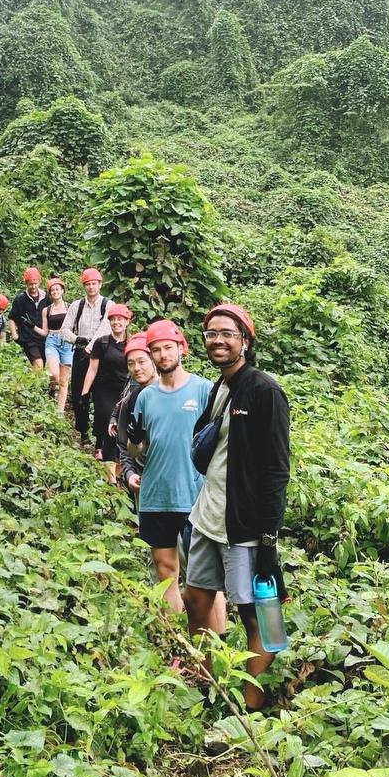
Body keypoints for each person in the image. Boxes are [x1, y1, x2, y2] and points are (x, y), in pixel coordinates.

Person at [183, 304, 290, 711]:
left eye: (227, 333)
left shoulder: (264, 391)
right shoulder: (220, 386)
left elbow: (277, 470)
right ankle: (208, 684)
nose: (218, 341)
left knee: (255, 618)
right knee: (196, 600)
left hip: (242, 528)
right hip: (206, 518)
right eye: (211, 334)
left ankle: (248, 708)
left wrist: (267, 538)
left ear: (245, 341)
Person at [129, 320, 211, 615]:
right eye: (156, 350)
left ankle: (212, 643)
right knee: (165, 573)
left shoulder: (204, 390)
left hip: (195, 496)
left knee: (204, 580)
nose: (162, 355)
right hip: (155, 496)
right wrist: (134, 439)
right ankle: (179, 642)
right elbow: (136, 449)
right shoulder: (145, 397)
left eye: (167, 348)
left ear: (181, 349)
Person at [59, 268, 112, 444]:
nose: (91, 287)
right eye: (88, 284)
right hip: (80, 352)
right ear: (84, 286)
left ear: (100, 284)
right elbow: (64, 330)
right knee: (79, 396)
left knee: (100, 396)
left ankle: (100, 438)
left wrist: (92, 346)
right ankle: (83, 433)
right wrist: (77, 339)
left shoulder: (108, 305)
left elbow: (106, 328)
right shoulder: (76, 305)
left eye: (94, 284)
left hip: (102, 353)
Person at [81, 302, 132, 471]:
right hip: (103, 388)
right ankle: (104, 452)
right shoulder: (101, 343)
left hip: (123, 390)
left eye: (120, 319)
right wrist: (85, 392)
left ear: (127, 322)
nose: (117, 322)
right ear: (109, 322)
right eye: (113, 319)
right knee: (105, 416)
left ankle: (113, 457)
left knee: (120, 423)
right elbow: (92, 368)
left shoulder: (132, 345)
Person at [113, 332, 157, 509]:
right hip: (143, 477)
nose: (136, 368)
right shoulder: (131, 400)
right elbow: (123, 444)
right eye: (131, 364)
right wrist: (130, 474)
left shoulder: (180, 394)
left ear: (153, 360)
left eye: (142, 361)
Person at [35, 277, 72, 411]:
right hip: (52, 341)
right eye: (52, 290)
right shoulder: (47, 310)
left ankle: (60, 411)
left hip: (68, 343)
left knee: (63, 381)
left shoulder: (70, 307)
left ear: (62, 290)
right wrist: (32, 326)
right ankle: (52, 386)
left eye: (57, 289)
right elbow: (45, 332)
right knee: (54, 372)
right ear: (50, 293)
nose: (55, 292)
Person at [8, 268, 48, 370]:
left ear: (39, 282)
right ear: (26, 283)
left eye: (35, 283)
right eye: (31, 284)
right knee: (38, 364)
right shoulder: (21, 299)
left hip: (43, 337)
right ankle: (36, 385)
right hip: (28, 337)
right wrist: (14, 335)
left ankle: (38, 384)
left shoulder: (46, 297)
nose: (33, 286)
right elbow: (11, 318)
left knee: (45, 365)